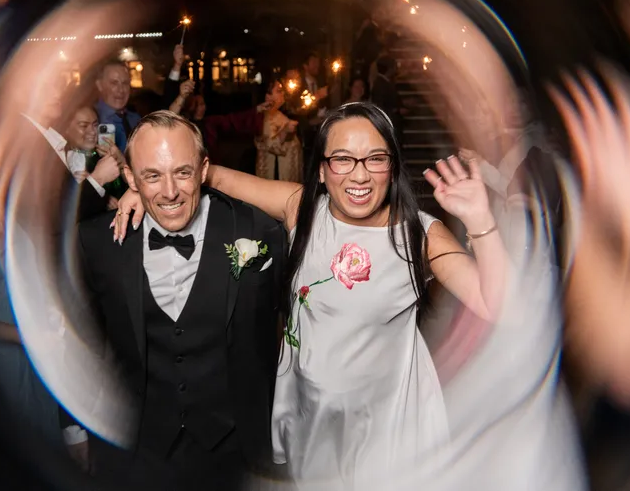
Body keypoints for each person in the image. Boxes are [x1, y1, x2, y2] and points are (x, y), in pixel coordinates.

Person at [113, 103, 511, 488]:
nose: (359, 176)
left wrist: (481, 222)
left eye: (375, 158)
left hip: (387, 427)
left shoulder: (417, 234)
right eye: (342, 159)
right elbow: (207, 175)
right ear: (322, 170)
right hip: (311, 419)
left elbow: (495, 303)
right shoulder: (303, 209)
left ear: (392, 167)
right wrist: (148, 195)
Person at [74, 111, 288, 490]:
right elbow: (80, 342)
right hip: (137, 453)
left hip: (236, 453)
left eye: (183, 172)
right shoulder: (97, 244)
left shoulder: (258, 230)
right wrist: (74, 430)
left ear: (204, 169)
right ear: (130, 179)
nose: (169, 192)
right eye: (152, 175)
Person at [255, 80, 301, 182]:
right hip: (276, 177)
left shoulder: (278, 114)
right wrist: (285, 131)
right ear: (268, 96)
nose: (283, 93)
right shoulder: (265, 117)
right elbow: (272, 145)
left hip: (289, 175)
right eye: (279, 91)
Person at [94, 59, 140, 151]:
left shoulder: (136, 119)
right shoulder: (92, 122)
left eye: (125, 83)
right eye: (114, 83)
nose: (121, 90)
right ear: (100, 85)